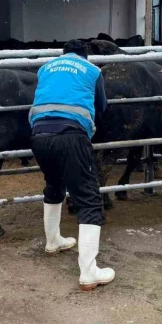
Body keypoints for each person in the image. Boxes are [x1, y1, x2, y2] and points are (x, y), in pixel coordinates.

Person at [29, 39, 114, 291]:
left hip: (39, 135)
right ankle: (89, 272)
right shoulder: (92, 70)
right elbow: (102, 106)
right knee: (88, 198)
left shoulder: (46, 68)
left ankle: (53, 241)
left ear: (63, 54)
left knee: (54, 184)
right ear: (85, 55)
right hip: (71, 135)